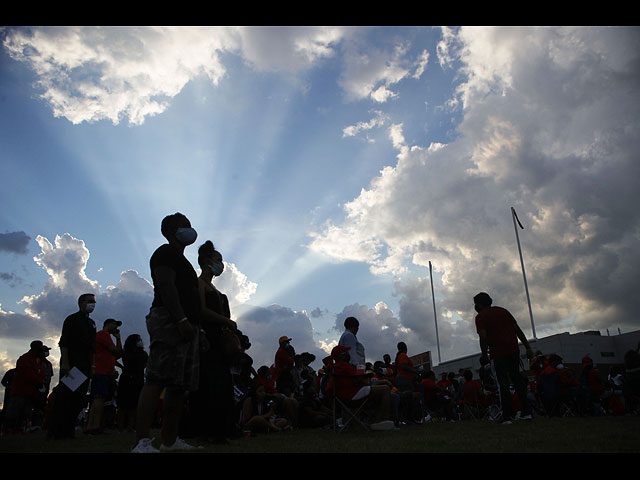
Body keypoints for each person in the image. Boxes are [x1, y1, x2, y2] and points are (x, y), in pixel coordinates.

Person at [132, 213, 202, 453]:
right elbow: (166, 286)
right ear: (171, 229)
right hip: (169, 320)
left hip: (187, 324)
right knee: (156, 379)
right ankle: (141, 442)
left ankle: (170, 442)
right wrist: (180, 318)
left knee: (178, 386)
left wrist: (194, 325)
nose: (190, 229)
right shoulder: (165, 253)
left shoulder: (184, 262)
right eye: (184, 225)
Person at [190, 240, 238, 444]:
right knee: (209, 384)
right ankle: (206, 430)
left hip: (219, 340)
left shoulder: (216, 291)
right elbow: (199, 311)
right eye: (218, 260)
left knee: (222, 385)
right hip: (207, 339)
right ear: (207, 262)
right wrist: (226, 321)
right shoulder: (199, 284)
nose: (221, 264)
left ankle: (222, 429)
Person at [473, 292, 534, 424]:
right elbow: (517, 330)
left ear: (478, 304)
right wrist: (527, 347)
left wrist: (484, 354)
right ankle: (526, 412)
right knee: (518, 381)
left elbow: (483, 337)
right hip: (513, 350)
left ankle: (507, 416)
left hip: (498, 352)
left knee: (503, 384)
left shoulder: (480, 317)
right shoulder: (503, 311)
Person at [47, 293, 97, 440]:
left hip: (86, 365)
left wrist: (92, 365)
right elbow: (65, 343)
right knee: (65, 398)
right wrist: (66, 363)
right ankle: (56, 431)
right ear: (81, 302)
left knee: (78, 399)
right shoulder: (72, 319)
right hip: (73, 364)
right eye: (90, 301)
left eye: (94, 302)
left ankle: (69, 431)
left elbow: (92, 347)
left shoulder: (91, 323)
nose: (93, 304)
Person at [327, 345, 392, 428]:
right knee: (385, 389)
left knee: (378, 389)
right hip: (351, 394)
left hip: (343, 396)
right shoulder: (343, 366)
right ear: (342, 355)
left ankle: (374, 421)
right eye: (346, 352)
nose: (348, 354)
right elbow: (361, 381)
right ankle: (381, 421)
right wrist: (380, 381)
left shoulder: (336, 367)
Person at [85, 318, 123, 434]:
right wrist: (118, 340)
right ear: (107, 324)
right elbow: (117, 352)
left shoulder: (108, 337)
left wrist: (118, 339)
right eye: (114, 324)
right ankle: (94, 426)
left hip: (104, 372)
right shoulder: (103, 335)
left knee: (99, 398)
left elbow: (118, 354)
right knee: (99, 399)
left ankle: (91, 426)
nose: (116, 327)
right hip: (101, 372)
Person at [3, 341, 46, 434]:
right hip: (20, 391)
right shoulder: (25, 359)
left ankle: (19, 428)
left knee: (25, 412)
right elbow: (27, 374)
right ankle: (8, 429)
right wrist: (39, 382)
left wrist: (40, 382)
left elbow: (42, 374)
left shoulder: (40, 361)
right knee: (14, 411)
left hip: (31, 392)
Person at [116, 334, 148, 432]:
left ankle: (129, 426)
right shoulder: (130, 353)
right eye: (139, 340)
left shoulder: (139, 354)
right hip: (131, 379)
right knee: (124, 404)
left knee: (132, 404)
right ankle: (123, 426)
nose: (140, 341)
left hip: (134, 379)